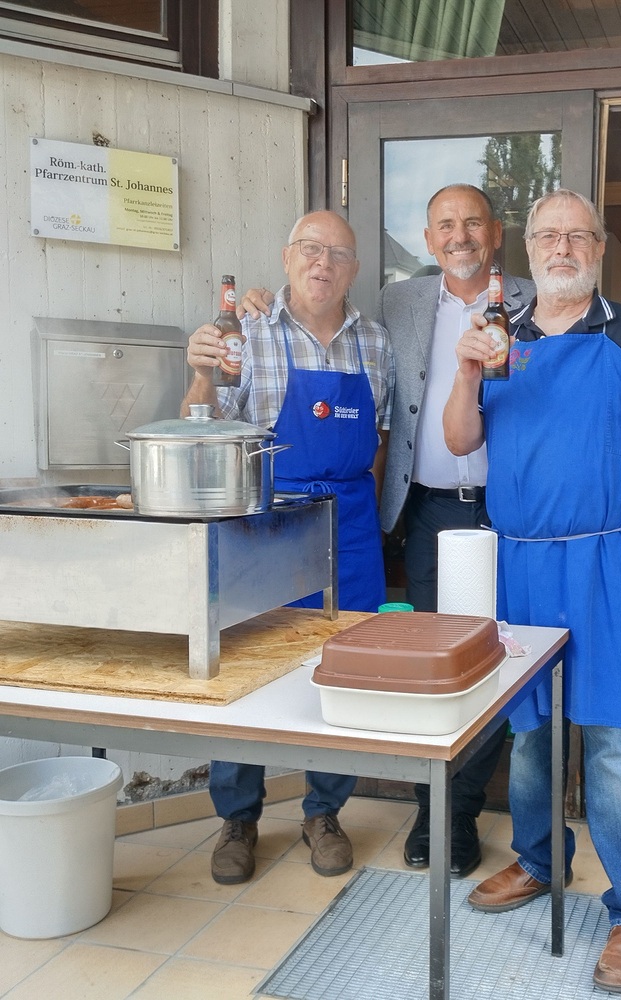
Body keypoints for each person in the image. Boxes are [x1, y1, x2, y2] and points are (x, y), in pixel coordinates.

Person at [443, 188, 621, 994]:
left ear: (598, 246)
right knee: (530, 733)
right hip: (519, 564)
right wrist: (464, 370)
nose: (562, 248)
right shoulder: (499, 336)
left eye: (577, 236)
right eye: (549, 236)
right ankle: (541, 860)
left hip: (609, 559)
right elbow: (460, 438)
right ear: (528, 250)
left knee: (616, 738)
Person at [241, 184, 535, 878]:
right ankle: (430, 811)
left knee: (501, 659)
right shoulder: (398, 306)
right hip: (424, 512)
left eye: (472, 223)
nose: (459, 236)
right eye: (444, 226)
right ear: (428, 241)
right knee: (429, 667)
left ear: (496, 233)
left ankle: (457, 812)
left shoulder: (536, 303)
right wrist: (253, 304)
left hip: (513, 512)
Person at [182, 210, 395, 885]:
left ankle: (324, 812)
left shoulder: (376, 341)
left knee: (345, 668)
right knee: (245, 665)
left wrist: (368, 519)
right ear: (286, 257)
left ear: (354, 268)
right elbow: (200, 428)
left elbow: (380, 440)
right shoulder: (245, 334)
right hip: (265, 525)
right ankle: (238, 817)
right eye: (310, 248)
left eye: (338, 253)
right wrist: (201, 375)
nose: (322, 263)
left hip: (350, 524)